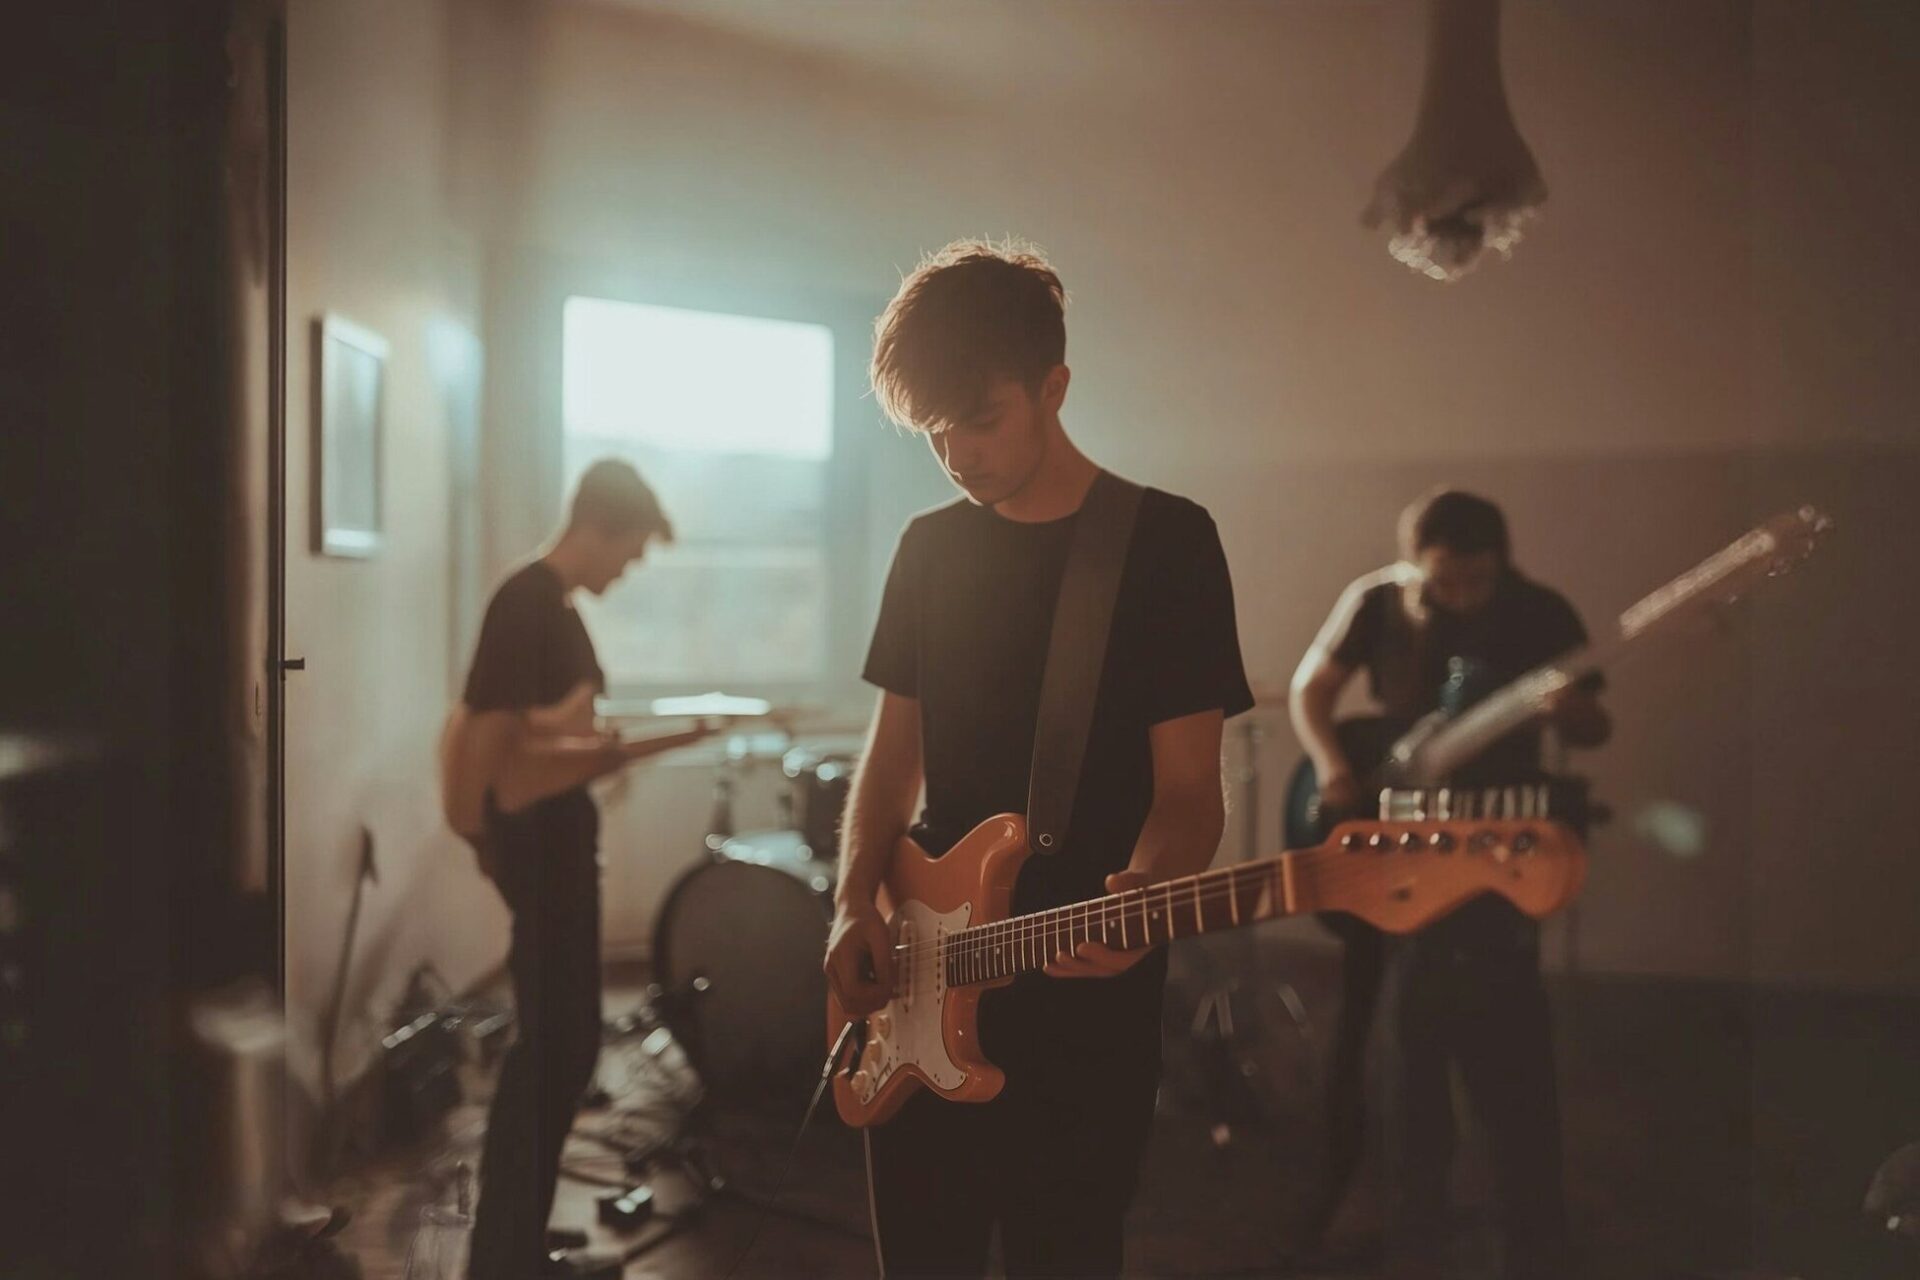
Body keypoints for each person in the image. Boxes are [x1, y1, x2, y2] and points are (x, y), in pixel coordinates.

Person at [824, 239, 1255, 1279]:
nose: (958, 454)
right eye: (934, 430)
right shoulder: (928, 549)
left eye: (981, 419)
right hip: (923, 968)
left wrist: (1149, 887)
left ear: (1054, 388)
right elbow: (892, 758)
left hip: (1083, 992)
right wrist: (849, 900)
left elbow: (1189, 792)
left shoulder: (1167, 544)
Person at [1288, 488, 1609, 1279]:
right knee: (1376, 1027)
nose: (1461, 596)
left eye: (1476, 581)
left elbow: (1596, 726)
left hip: (1498, 851)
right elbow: (1310, 689)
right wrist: (1331, 769)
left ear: (1503, 564)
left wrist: (1565, 712)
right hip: (1391, 842)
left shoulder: (1541, 613)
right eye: (1443, 582)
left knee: (1508, 1037)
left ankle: (1530, 1236)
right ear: (1414, 567)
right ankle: (1378, 1215)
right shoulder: (1377, 602)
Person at [447, 459, 719, 1280]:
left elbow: (535, 735)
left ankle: (516, 1245)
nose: (627, 569)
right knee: (551, 1051)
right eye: (629, 551)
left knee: (561, 1050)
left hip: (552, 848)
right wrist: (488, 837)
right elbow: (492, 749)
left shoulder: (550, 604)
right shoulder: (527, 601)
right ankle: (502, 1257)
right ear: (599, 526)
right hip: (543, 853)